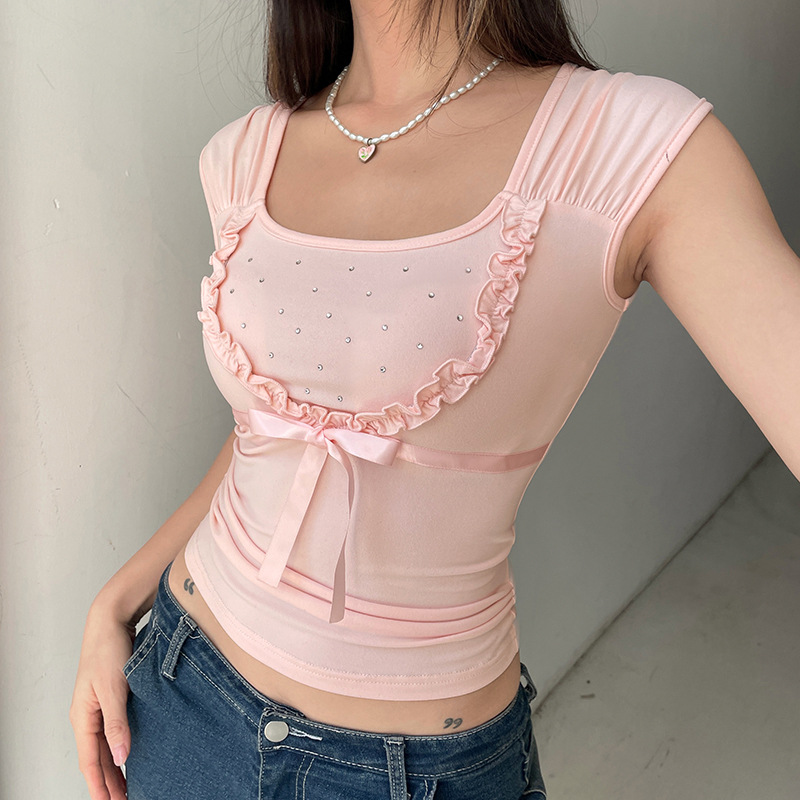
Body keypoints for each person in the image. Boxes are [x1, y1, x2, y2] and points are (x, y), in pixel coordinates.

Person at [70, 1, 800, 799]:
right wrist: (117, 599)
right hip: (183, 692)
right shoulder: (243, 154)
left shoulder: (630, 147)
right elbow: (273, 436)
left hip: (415, 772)